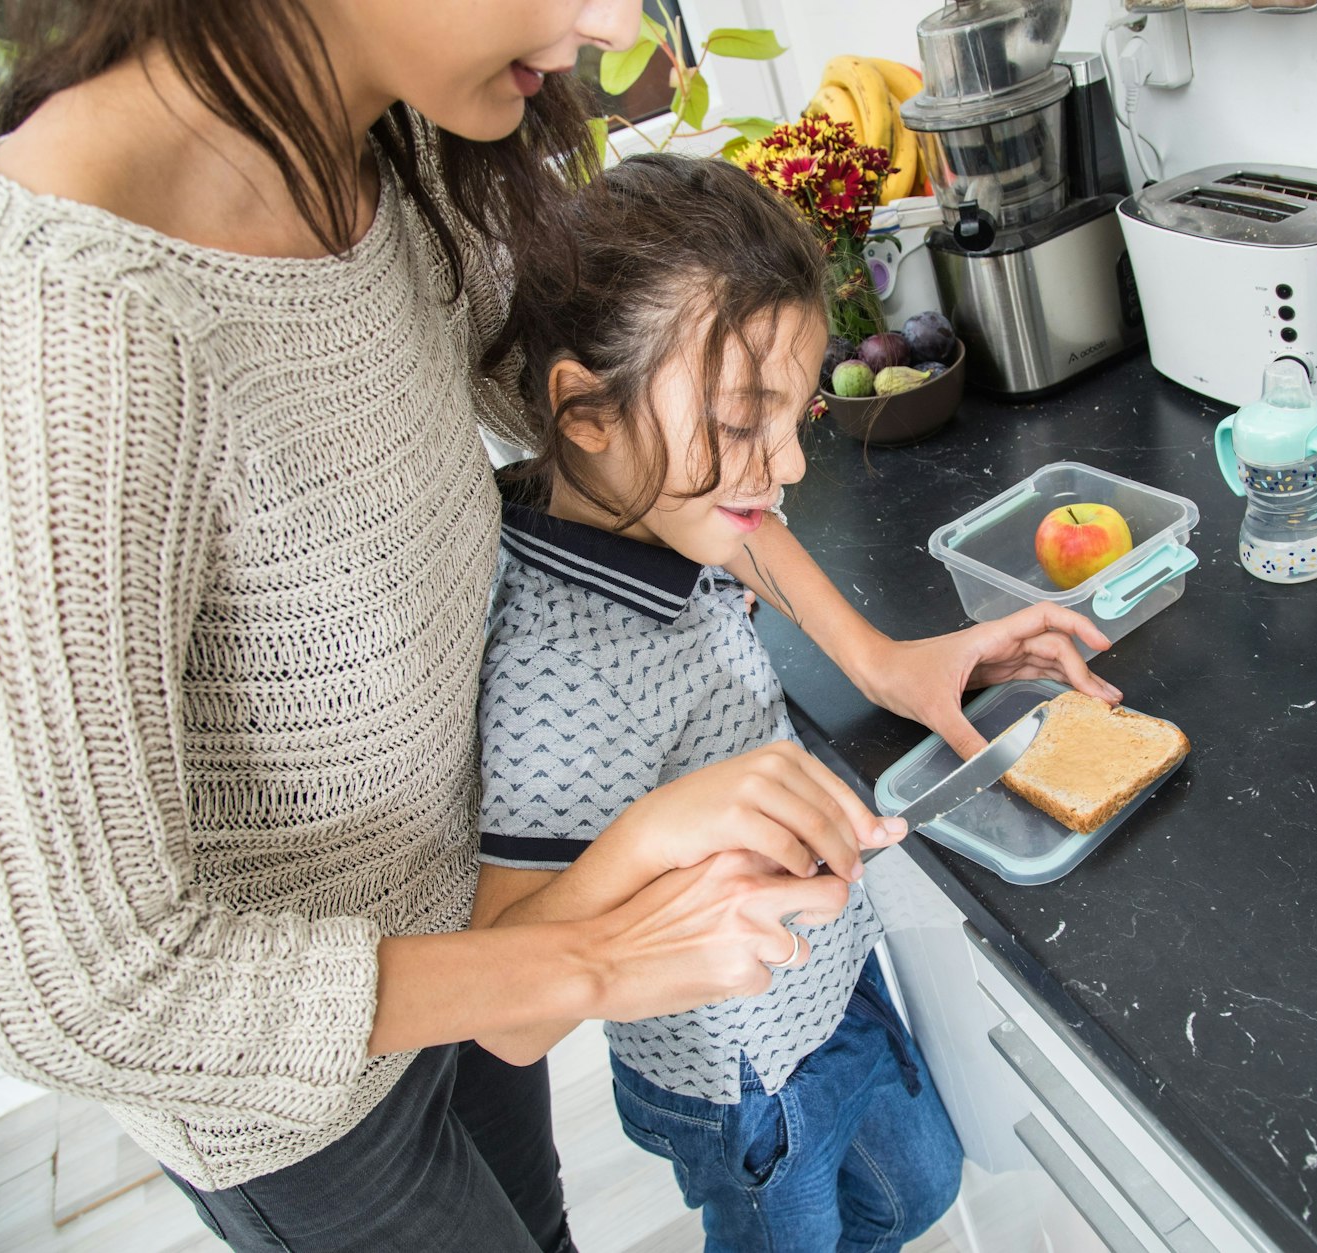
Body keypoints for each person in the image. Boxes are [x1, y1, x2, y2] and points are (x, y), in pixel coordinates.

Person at [0, 1, 1119, 1249]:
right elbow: (83, 990)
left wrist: (880, 661)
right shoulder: (48, 326)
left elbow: (659, 453)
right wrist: (600, 950)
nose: (610, 19)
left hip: (467, 943)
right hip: (306, 1103)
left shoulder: (394, 161)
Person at [467, 151, 1106, 1251]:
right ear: (582, 411)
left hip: (826, 980)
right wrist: (652, 830)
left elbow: (747, 524)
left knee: (917, 1186)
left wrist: (880, 659)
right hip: (737, 1071)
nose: (786, 470)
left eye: (793, 422)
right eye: (739, 423)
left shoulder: (657, 502)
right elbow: (510, 1014)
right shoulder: (560, 670)